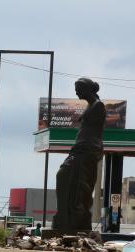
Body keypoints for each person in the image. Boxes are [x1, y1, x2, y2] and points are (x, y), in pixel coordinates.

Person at [52, 78, 105, 233]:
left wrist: (91, 150)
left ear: (87, 89)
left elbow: (95, 133)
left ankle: (75, 214)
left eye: (78, 88)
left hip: (86, 151)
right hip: (80, 150)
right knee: (63, 176)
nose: (76, 91)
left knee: (71, 179)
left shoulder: (98, 106)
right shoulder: (91, 105)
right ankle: (64, 216)